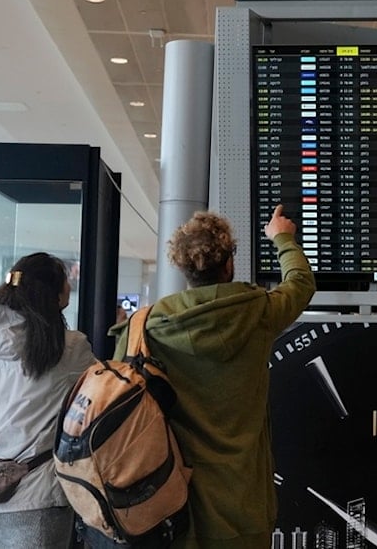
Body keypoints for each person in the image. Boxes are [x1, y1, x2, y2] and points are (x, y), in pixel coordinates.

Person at [110, 206, 315, 548]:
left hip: (170, 505)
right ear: (229, 265)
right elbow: (300, 283)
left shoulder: (144, 327)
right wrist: (282, 236)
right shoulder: (258, 312)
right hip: (245, 507)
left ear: (183, 268)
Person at [0, 252, 96, 549]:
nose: (70, 288)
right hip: (40, 499)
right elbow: (101, 399)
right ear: (53, 293)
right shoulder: (71, 350)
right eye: (66, 282)